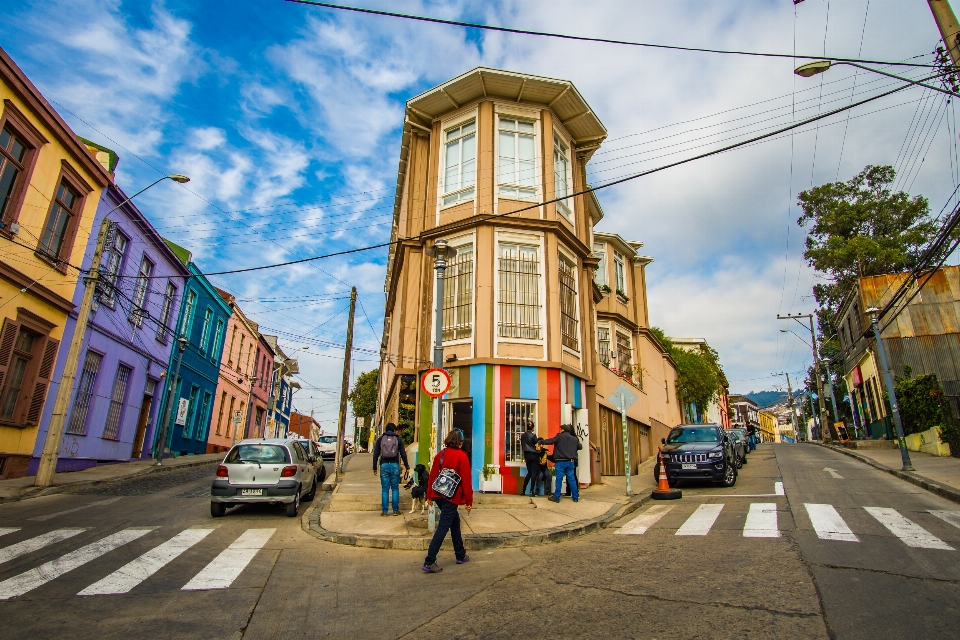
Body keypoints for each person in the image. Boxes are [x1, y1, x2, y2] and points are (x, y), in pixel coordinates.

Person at [422, 429, 473, 573]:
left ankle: (460, 554)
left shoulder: (441, 454)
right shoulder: (462, 457)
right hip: (451, 497)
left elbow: (432, 475)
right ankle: (429, 560)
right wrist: (469, 501)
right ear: (460, 442)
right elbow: (466, 482)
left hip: (438, 495)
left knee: (455, 522)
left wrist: (429, 495)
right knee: (444, 526)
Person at [372, 423, 409, 516]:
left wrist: (374, 467)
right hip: (395, 465)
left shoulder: (380, 439)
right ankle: (395, 510)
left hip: (384, 465)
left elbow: (376, 454)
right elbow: (403, 454)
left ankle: (384, 512)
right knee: (395, 488)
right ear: (394, 430)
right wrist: (407, 465)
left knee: (385, 489)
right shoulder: (398, 439)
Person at [539, 424, 582, 503]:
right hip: (570, 462)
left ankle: (556, 497)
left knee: (559, 479)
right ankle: (575, 497)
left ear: (562, 430)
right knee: (571, 479)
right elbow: (580, 447)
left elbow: (551, 441)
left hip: (560, 461)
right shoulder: (574, 439)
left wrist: (542, 441)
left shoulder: (559, 437)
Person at [520, 420, 539, 496]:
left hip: (527, 454)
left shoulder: (523, 435)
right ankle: (532, 490)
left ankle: (523, 489)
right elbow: (537, 445)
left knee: (529, 473)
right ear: (533, 428)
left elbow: (522, 445)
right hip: (534, 455)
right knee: (533, 473)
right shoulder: (533, 436)